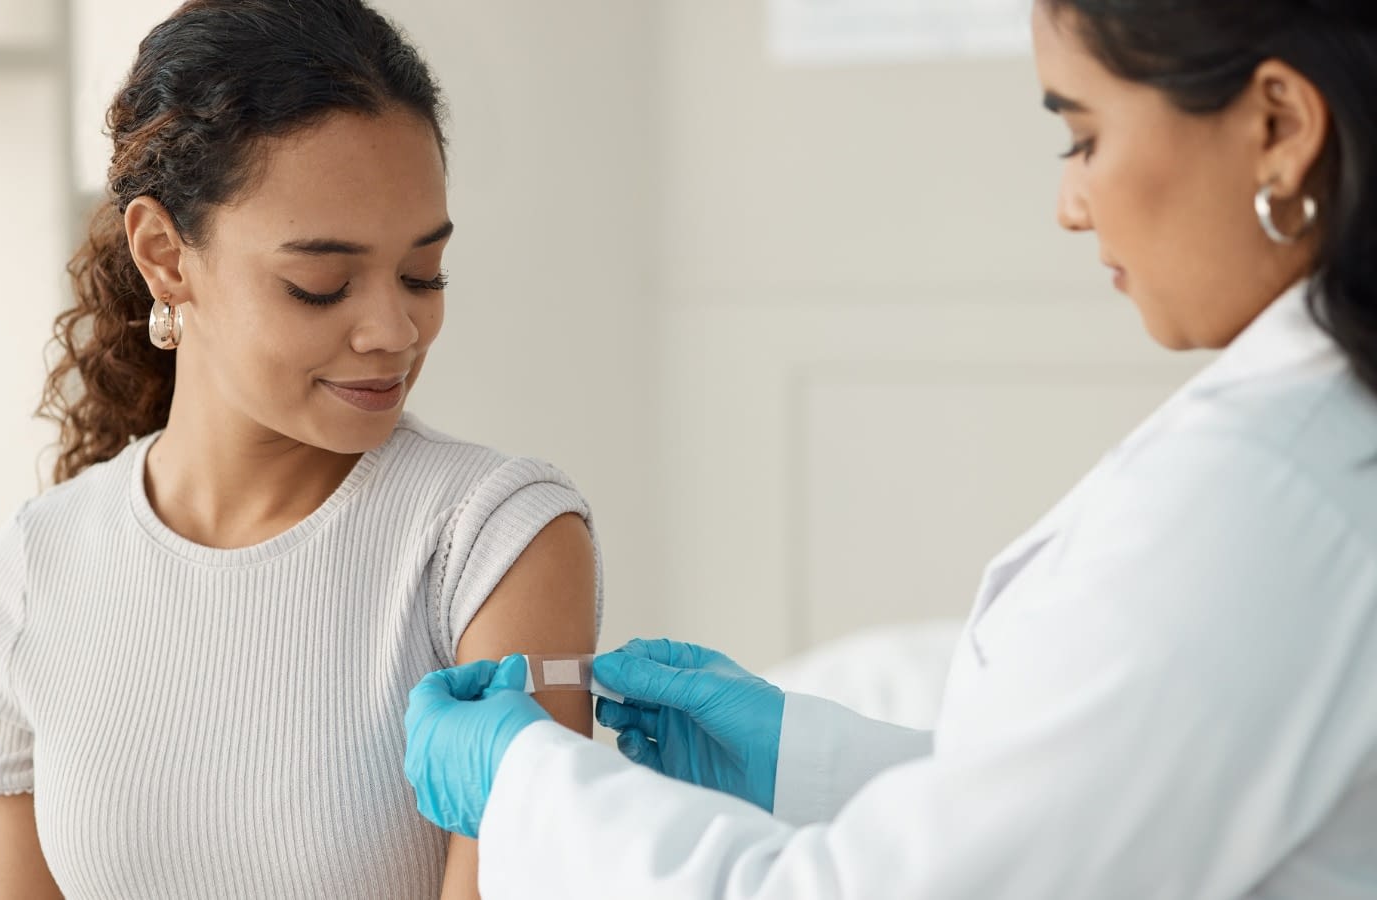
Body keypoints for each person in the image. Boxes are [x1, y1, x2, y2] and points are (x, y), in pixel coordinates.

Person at [403, 0, 1377, 895]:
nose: (1069, 206)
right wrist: (801, 764)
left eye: (1082, 137)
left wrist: (525, 786)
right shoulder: (1307, 450)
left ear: (1279, 127)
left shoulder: (1267, 495)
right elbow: (1096, 818)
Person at [0, 1, 600, 897]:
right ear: (166, 255)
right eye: (320, 285)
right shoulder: (33, 572)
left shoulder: (492, 545)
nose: (395, 329)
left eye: (423, 273)